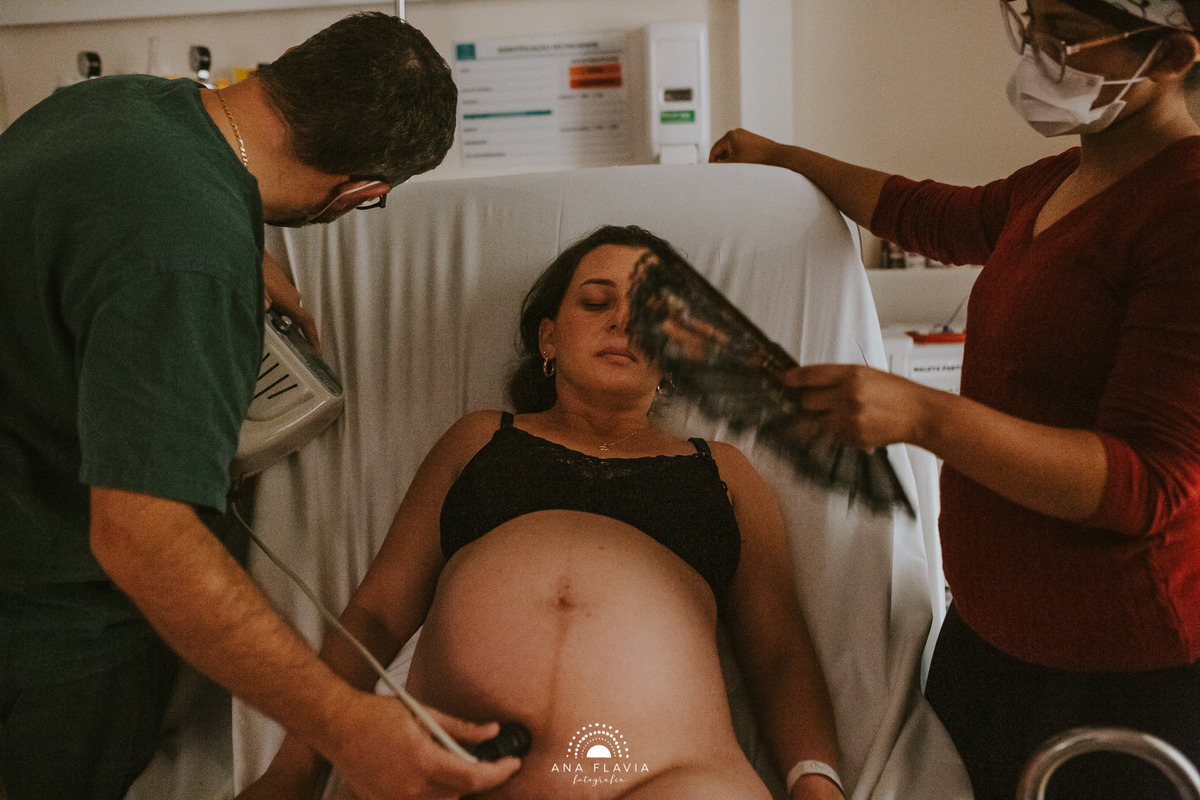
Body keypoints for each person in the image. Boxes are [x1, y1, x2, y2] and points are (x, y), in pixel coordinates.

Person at [0, 12, 522, 800]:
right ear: (362, 192)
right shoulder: (188, 265)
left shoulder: (110, 105)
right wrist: (345, 726)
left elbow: (108, 210)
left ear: (290, 69)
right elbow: (143, 538)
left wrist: (239, 239)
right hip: (48, 642)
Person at [710, 0, 1200, 797]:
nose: (1040, 53)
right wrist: (784, 157)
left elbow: (1144, 484)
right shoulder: (1056, 183)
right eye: (1033, 25)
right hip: (988, 642)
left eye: (1068, 37)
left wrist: (923, 415)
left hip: (1118, 668)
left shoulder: (1183, 208)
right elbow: (923, 212)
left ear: (1174, 56)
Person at [236, 225, 844, 800]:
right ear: (549, 338)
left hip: (671, 778)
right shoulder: (478, 441)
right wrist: (292, 772)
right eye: (596, 301)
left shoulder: (727, 474)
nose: (622, 320)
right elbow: (376, 614)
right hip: (447, 767)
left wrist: (818, 787)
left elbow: (780, 656)